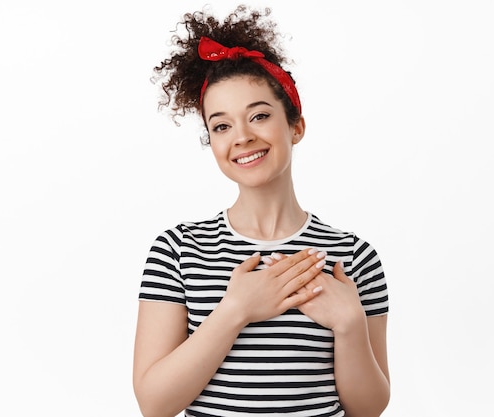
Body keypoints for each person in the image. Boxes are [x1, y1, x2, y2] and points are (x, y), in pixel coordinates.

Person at [133, 5, 390, 417]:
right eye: (221, 126)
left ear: (295, 126)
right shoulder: (178, 251)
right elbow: (154, 403)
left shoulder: (355, 255)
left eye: (259, 115)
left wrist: (350, 325)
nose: (242, 137)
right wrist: (236, 310)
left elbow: (369, 409)